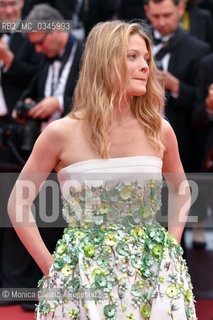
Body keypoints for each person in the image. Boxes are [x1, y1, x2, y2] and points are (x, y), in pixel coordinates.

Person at [8, 20, 197, 319]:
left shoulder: (159, 130)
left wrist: (171, 250)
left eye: (147, 59)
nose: (145, 66)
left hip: (154, 278)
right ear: (103, 62)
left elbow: (182, 189)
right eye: (132, 56)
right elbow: (17, 202)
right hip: (82, 279)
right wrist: (53, 270)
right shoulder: (60, 133)